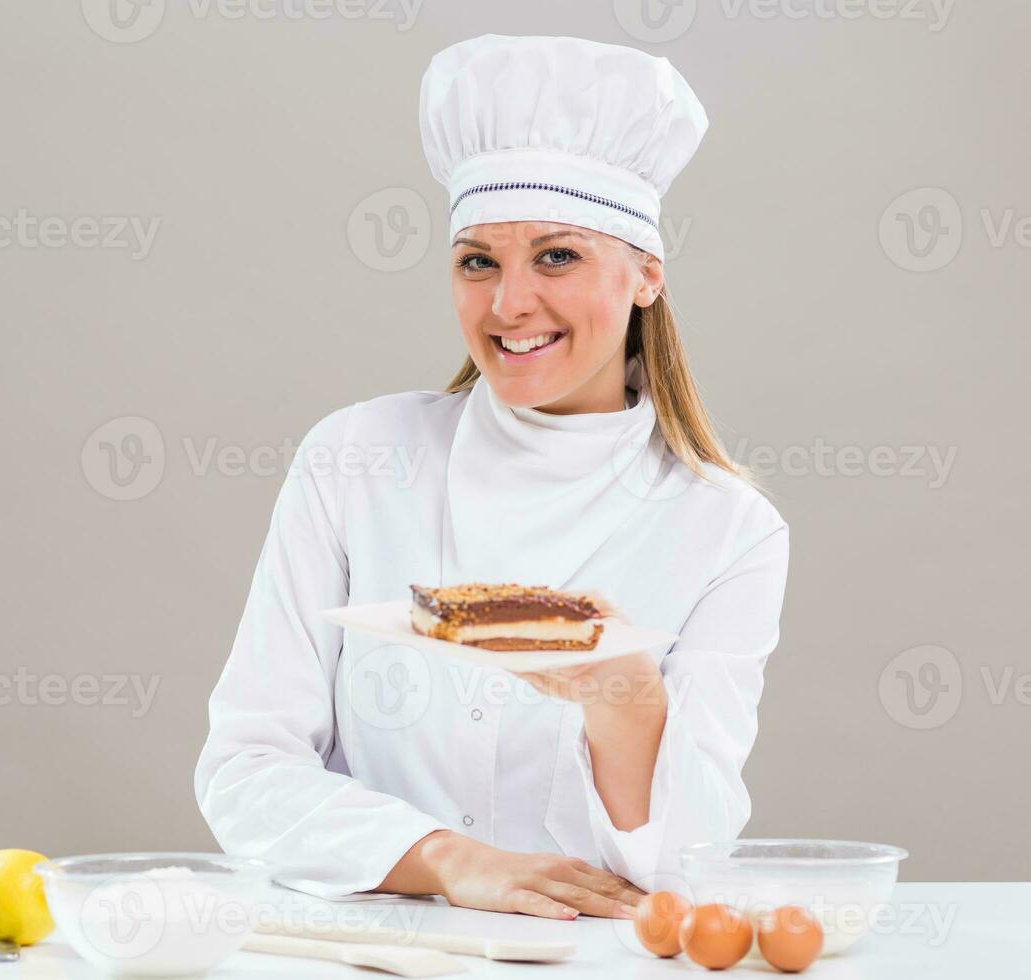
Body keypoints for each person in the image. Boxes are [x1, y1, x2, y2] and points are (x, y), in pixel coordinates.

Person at [194, 33, 789, 921]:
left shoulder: (727, 529)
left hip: (588, 956)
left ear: (646, 276)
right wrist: (444, 859)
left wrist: (622, 698)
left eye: (557, 257)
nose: (509, 305)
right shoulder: (357, 459)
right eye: (479, 260)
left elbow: (688, 858)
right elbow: (244, 771)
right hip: (370, 951)